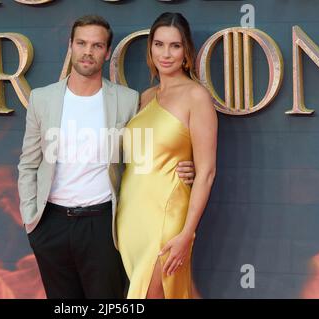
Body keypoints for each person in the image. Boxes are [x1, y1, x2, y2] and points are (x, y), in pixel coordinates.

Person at [17, 14, 196, 299]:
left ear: (107, 52)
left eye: (97, 45)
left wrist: (187, 166)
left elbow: (150, 146)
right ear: (71, 46)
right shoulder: (42, 99)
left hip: (102, 223)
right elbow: (29, 162)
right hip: (50, 224)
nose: (88, 51)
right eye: (81, 43)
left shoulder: (127, 100)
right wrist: (31, 220)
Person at [117, 12, 217, 299]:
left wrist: (188, 233)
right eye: (159, 44)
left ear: (186, 51)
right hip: (132, 216)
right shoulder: (145, 97)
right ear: (150, 48)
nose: (166, 53)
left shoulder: (196, 96)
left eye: (175, 46)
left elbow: (207, 172)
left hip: (168, 217)